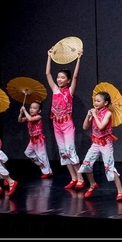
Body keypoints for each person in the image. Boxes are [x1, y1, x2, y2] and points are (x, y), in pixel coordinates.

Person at [45, 47, 83, 190]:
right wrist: (49, 56)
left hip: (67, 124)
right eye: (58, 77)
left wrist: (78, 59)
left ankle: (80, 178)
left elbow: (76, 76)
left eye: (62, 78)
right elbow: (47, 73)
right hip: (56, 124)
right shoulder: (55, 90)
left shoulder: (69, 91)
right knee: (63, 152)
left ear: (67, 80)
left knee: (70, 150)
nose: (59, 79)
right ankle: (73, 178)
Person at [78, 91, 122, 201]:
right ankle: (92, 184)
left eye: (98, 101)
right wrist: (88, 115)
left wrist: (94, 115)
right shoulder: (95, 112)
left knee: (109, 166)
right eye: (95, 100)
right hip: (96, 142)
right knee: (86, 163)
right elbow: (85, 127)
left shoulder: (108, 113)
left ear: (105, 103)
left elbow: (101, 127)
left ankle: (120, 191)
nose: (96, 103)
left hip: (106, 143)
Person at [18, 101, 53, 179]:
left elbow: (30, 119)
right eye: (31, 108)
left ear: (39, 111)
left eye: (34, 108)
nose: (32, 109)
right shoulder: (29, 116)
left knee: (42, 156)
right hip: (32, 139)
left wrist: (25, 111)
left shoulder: (38, 117)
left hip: (39, 139)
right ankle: (41, 164)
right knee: (27, 153)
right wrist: (21, 113)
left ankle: (48, 172)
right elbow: (20, 120)